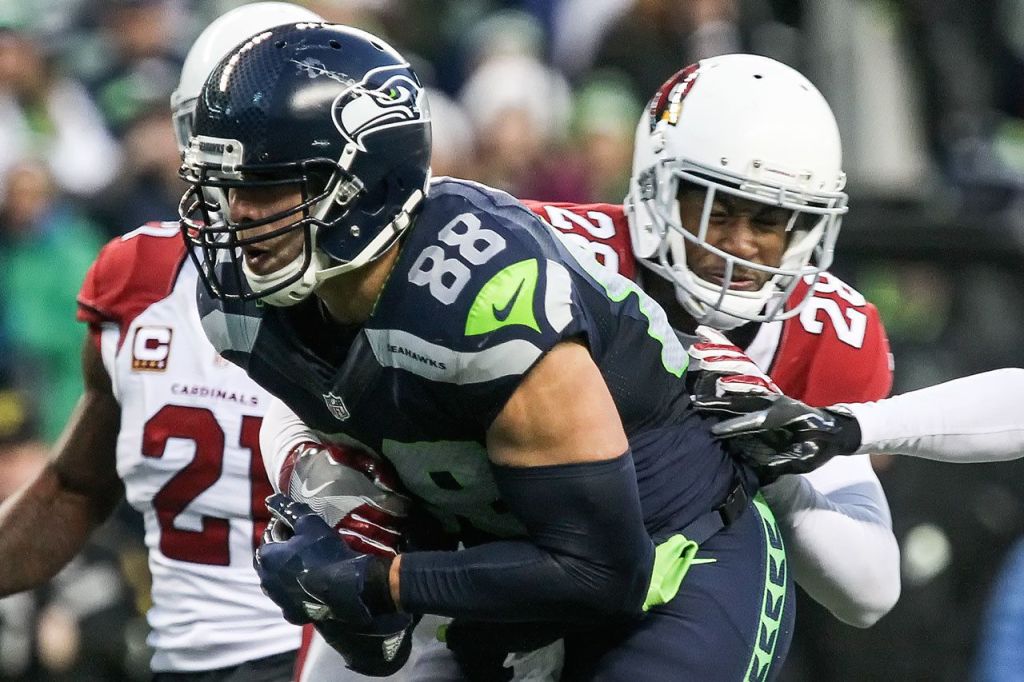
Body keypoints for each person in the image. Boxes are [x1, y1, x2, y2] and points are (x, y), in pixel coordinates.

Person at [180, 22, 793, 682]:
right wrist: (325, 489)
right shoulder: (239, 300)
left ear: (365, 185)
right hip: (501, 568)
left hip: (675, 559)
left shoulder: (483, 298)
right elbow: (328, 397)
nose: (238, 213)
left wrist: (379, 578)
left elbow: (602, 571)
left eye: (267, 183)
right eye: (224, 184)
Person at [0, 4, 334, 680]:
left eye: (269, 157)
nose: (240, 184)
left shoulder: (384, 295)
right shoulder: (137, 278)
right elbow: (74, 486)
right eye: (221, 148)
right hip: (178, 659)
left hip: (332, 658)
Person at [524, 52, 901, 631]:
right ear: (657, 192)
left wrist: (776, 467)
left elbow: (868, 590)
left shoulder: (826, 331)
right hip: (503, 559)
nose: (742, 245)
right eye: (718, 214)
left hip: (679, 608)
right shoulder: (557, 253)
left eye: (769, 220)